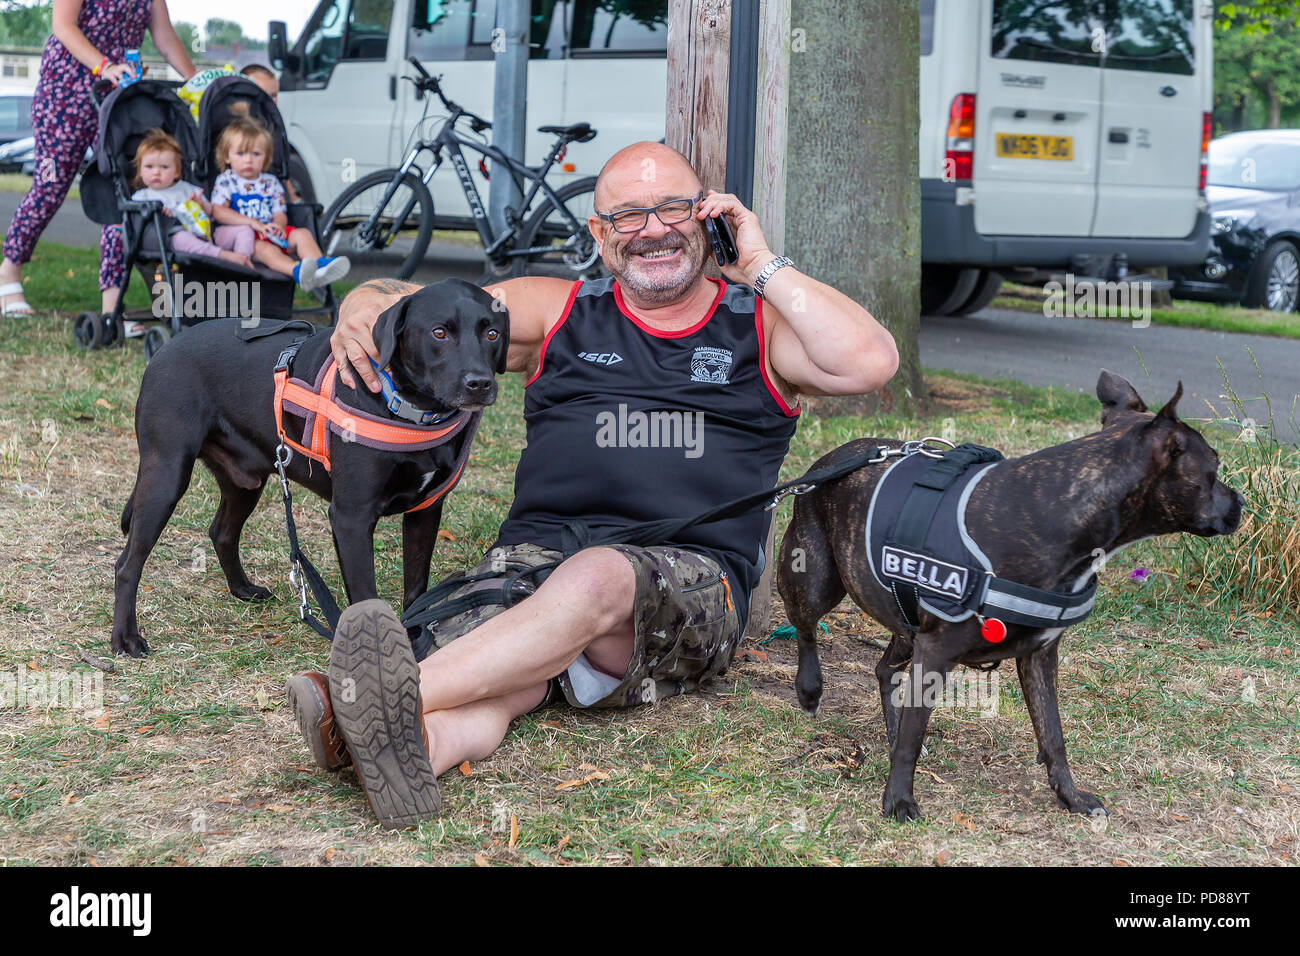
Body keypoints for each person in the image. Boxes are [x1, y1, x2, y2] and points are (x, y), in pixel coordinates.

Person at [285, 141, 900, 829]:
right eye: (628, 215)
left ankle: (356, 703)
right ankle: (415, 747)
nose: (653, 229)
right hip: (529, 570)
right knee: (504, 678)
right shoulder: (560, 310)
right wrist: (360, 304)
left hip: (686, 581)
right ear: (599, 235)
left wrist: (759, 264)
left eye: (672, 207)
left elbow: (869, 362)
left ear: (708, 217)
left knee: (594, 580)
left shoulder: (755, 326)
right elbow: (415, 305)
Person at [0, 0, 197, 319]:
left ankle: (112, 306)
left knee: (126, 191)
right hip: (64, 94)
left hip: (117, 97)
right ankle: (8, 271)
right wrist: (104, 65)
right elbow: (64, 26)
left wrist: (196, 80)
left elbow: (164, 37)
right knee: (49, 187)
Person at [208, 117, 347, 291]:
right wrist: (252, 223)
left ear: (266, 157)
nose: (249, 160)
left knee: (302, 234)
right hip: (248, 238)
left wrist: (278, 225)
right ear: (227, 156)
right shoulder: (226, 181)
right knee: (266, 250)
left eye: (256, 154)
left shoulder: (271, 182)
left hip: (272, 231)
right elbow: (218, 211)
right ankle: (296, 271)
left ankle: (320, 267)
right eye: (241, 154)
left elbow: (279, 212)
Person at [129, 128, 254, 268]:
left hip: (207, 234)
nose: (156, 172)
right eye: (149, 167)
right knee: (181, 238)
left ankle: (243, 260)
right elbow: (139, 224)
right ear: (140, 171)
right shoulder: (141, 197)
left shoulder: (187, 189)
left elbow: (210, 212)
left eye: (164, 167)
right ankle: (223, 256)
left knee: (244, 229)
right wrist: (160, 215)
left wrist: (202, 205)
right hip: (170, 238)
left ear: (176, 172)